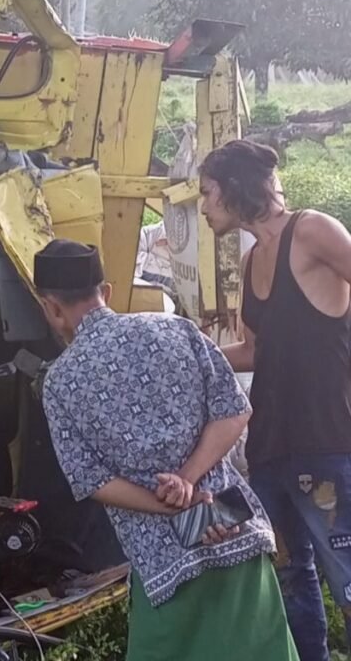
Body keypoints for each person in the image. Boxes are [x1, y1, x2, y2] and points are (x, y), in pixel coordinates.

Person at [34, 238, 298, 660]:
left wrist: (172, 505)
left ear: (50, 307)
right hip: (230, 523)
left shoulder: (61, 383)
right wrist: (189, 480)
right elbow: (234, 411)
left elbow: (91, 480)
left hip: (163, 558)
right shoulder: (174, 329)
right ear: (108, 291)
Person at [202, 139, 351, 661]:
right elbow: (255, 351)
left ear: (234, 189)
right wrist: (193, 348)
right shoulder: (251, 262)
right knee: (290, 576)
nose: (202, 206)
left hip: (328, 443)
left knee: (348, 580)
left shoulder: (311, 230)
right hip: (270, 450)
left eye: (207, 193)